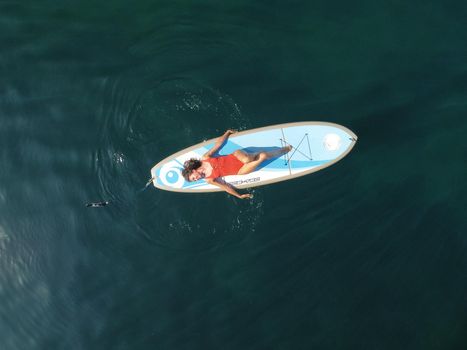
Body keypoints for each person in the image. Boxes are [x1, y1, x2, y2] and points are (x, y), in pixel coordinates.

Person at [181, 130, 292, 199]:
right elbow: (225, 187)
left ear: (193, 170)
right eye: (194, 180)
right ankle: (283, 150)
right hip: (240, 171)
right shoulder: (209, 180)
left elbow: (217, 145)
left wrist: (227, 132)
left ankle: (255, 154)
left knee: (247, 159)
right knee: (263, 157)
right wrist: (239, 195)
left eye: (194, 177)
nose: (196, 179)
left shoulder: (205, 159)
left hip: (236, 155)